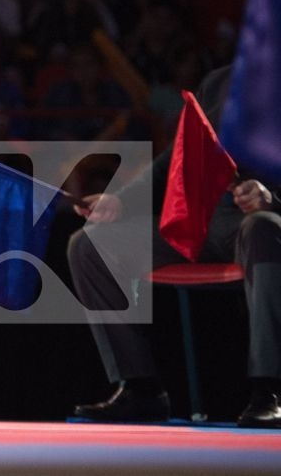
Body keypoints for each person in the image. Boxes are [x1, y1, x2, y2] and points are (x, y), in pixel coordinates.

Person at [69, 67, 279, 428]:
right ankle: (140, 388)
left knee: (262, 227)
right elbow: (175, 159)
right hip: (196, 226)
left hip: (260, 226)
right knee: (89, 244)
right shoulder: (220, 81)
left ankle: (269, 392)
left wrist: (271, 199)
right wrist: (120, 201)